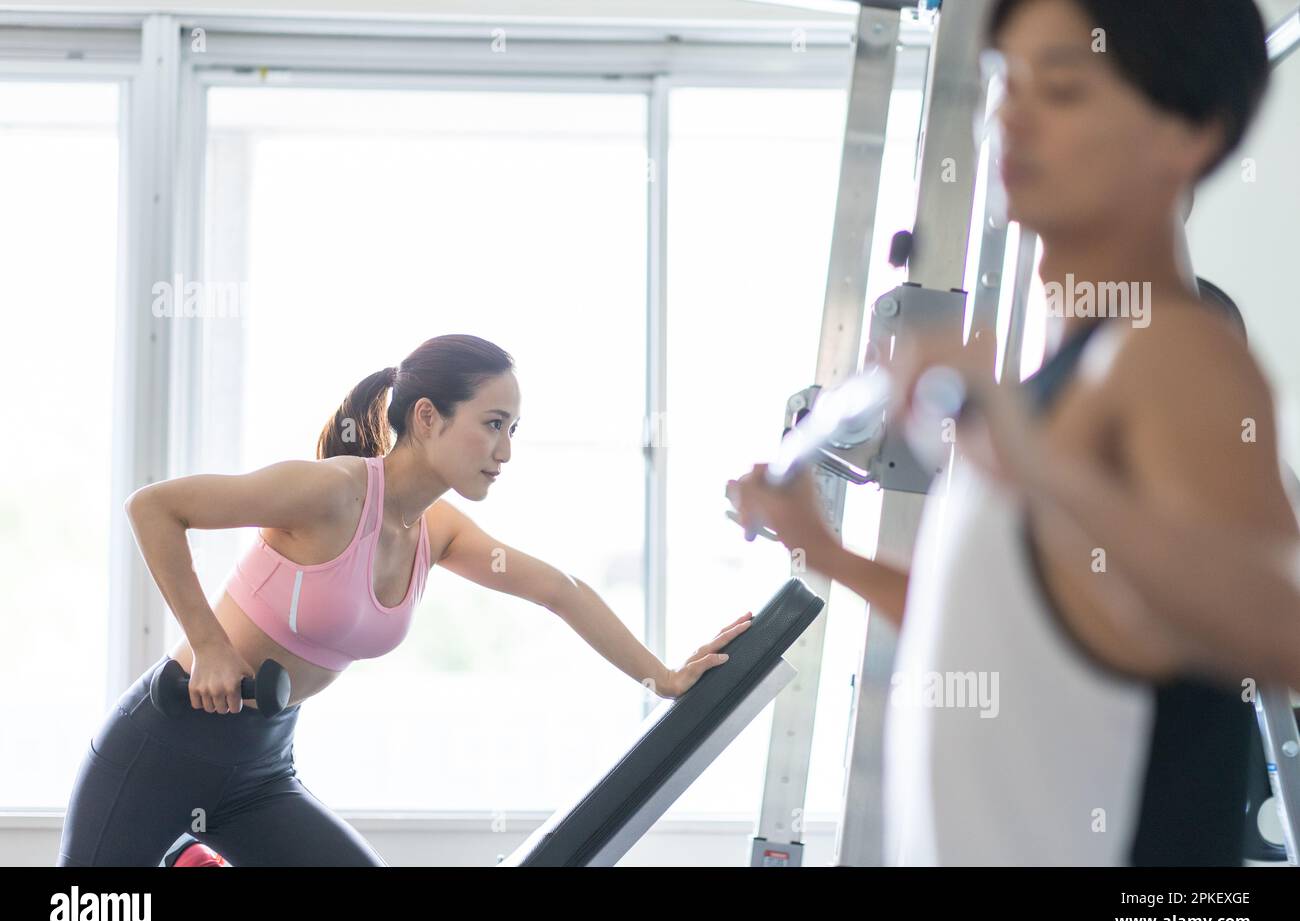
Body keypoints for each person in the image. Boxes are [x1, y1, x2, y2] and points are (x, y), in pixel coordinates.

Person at [728, 0, 1299, 865]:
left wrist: (1036, 468)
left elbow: (1278, 624)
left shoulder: (1169, 354)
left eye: (1063, 87)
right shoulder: (1047, 390)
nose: (1011, 115)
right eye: (1006, 81)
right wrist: (825, 549)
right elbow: (1018, 633)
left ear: (1189, 135)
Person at [59, 332, 751, 866]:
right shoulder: (332, 492)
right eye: (492, 423)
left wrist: (663, 676)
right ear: (427, 417)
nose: (506, 450)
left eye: (514, 430)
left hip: (259, 766)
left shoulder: (436, 532)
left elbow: (559, 591)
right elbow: (154, 508)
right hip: (163, 748)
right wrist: (208, 644)